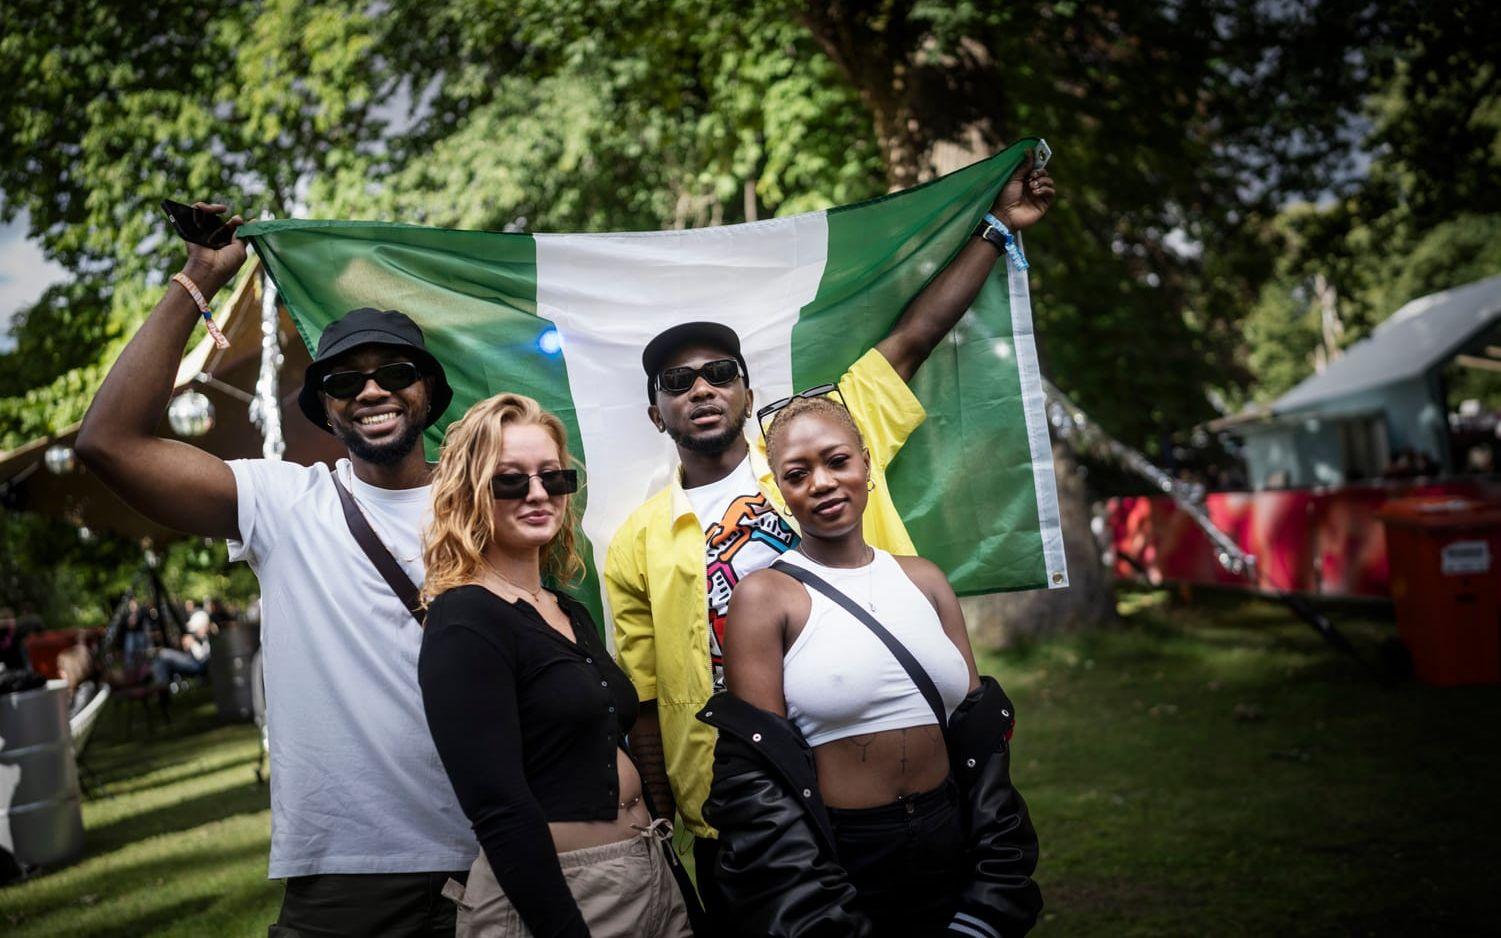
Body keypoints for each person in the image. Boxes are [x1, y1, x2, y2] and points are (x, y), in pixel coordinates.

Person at [604, 151, 1055, 918]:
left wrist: (995, 228)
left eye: (718, 372)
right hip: (736, 816)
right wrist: (658, 809)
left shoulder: (814, 444)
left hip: (891, 798)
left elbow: (916, 336)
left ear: (748, 392)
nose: (701, 388)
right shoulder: (633, 542)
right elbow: (645, 703)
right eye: (677, 383)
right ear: (655, 414)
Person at [75, 202, 476, 936]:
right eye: (345, 382)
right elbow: (108, 441)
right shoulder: (286, 502)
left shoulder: (494, 505)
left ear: (430, 391)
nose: (372, 390)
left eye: (394, 371)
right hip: (347, 874)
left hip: (497, 852)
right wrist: (197, 279)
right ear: (325, 407)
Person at [699, 394, 1041, 936]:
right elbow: (758, 776)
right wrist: (817, 912)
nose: (822, 483)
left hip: (950, 841)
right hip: (842, 859)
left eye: (837, 461)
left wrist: (991, 893)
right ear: (780, 489)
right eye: (797, 473)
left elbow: (981, 741)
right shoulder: (765, 597)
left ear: (865, 462)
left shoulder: (925, 579)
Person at [418, 393, 693, 938]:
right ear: (471, 492)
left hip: (646, 870)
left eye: (553, 477)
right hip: (565, 895)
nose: (539, 493)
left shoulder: (567, 608)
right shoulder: (464, 617)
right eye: (511, 480)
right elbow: (497, 807)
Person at [150, 607, 211, 689]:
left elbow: (202, 657)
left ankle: (161, 686)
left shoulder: (206, 639)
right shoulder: (196, 638)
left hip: (196, 665)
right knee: (161, 657)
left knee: (164, 654)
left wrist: (193, 644)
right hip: (192, 662)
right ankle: (162, 685)